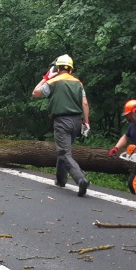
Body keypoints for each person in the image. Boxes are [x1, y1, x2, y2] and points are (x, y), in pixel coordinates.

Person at [32, 54, 90, 197]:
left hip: (62, 121)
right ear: (70, 69)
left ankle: (80, 178)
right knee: (64, 151)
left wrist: (46, 77)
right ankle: (60, 180)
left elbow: (35, 93)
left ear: (57, 68)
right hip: (77, 121)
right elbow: (85, 103)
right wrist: (86, 122)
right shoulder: (78, 83)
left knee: (64, 153)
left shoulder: (53, 82)